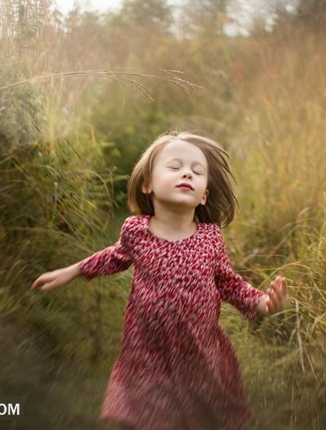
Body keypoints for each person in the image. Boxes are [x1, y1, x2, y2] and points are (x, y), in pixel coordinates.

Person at [31, 131, 287, 430]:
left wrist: (261, 302)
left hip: (199, 352)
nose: (186, 173)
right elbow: (114, 256)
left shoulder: (210, 238)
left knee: (203, 417)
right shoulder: (136, 232)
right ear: (147, 184)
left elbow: (228, 283)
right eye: (175, 166)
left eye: (196, 171)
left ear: (203, 194)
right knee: (151, 418)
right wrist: (73, 270)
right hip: (146, 351)